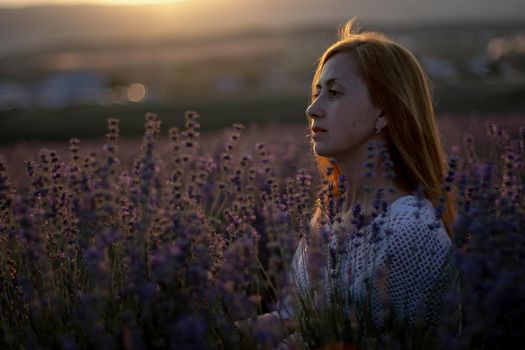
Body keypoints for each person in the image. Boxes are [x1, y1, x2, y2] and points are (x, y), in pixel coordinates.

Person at [250, 18, 461, 348]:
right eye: (316, 92)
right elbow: (292, 319)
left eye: (333, 93)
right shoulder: (326, 219)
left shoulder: (410, 232)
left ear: (383, 112)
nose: (312, 109)